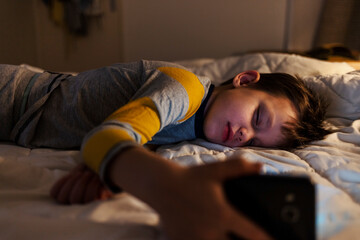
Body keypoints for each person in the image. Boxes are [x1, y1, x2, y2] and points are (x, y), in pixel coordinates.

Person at [0, 60, 329, 240]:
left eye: (255, 142)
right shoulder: (185, 89)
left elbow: (121, 137)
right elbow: (107, 136)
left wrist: (102, 167)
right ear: (244, 79)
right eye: (258, 117)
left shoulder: (193, 131)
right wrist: (173, 189)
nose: (244, 134)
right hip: (15, 98)